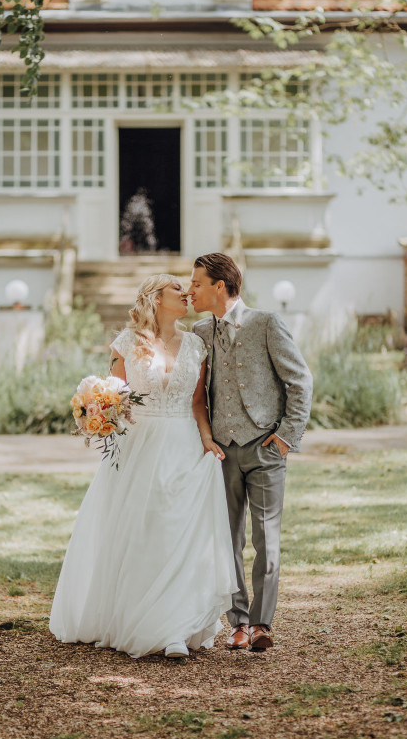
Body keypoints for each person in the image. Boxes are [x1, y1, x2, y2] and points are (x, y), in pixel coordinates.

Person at [50, 274, 237, 659]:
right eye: (176, 289)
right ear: (155, 298)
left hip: (184, 443)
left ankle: (174, 628)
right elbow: (113, 395)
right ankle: (136, 617)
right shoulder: (127, 343)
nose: (186, 293)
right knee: (142, 530)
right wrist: (99, 414)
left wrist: (206, 439)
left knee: (178, 531)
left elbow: (197, 402)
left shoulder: (196, 344)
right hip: (140, 446)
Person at [189, 253, 313, 652]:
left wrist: (285, 438)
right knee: (227, 540)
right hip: (222, 452)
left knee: (267, 540)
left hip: (265, 448)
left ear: (219, 287)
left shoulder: (265, 324)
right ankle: (238, 621)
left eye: (197, 283)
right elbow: (195, 393)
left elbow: (300, 381)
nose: (191, 289)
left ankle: (262, 623)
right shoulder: (199, 333)